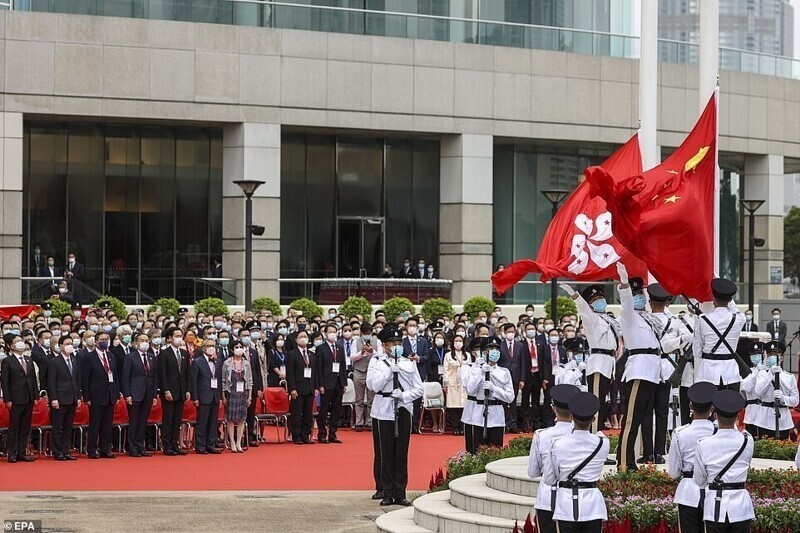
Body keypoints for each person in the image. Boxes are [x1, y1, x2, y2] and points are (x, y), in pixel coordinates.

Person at [366, 325, 424, 507]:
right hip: (383, 410)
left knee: (401, 452)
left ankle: (400, 492)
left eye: (399, 342)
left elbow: (419, 388)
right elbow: (373, 386)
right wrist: (389, 372)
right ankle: (387, 491)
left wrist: (404, 396)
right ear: (384, 345)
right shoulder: (377, 362)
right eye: (393, 343)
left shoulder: (408, 363)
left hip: (403, 409)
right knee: (386, 452)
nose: (397, 346)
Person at [615, 263, 662, 470]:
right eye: (636, 295)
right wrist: (625, 285)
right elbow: (626, 304)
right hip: (638, 370)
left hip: (652, 371)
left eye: (641, 293)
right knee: (631, 419)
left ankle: (632, 460)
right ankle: (624, 462)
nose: (640, 298)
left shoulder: (650, 319)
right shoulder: (629, 317)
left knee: (642, 417)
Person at [543, 392, 610, 533]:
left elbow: (549, 479)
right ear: (594, 419)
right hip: (593, 506)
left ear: (571, 417)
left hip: (566, 505)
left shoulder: (557, 444)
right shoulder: (603, 443)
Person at [640, 283, 692, 464]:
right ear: (667, 301)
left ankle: (648, 452)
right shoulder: (675, 321)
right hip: (666, 366)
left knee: (647, 411)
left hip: (648, 366)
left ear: (650, 301)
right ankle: (659, 452)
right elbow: (682, 342)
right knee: (662, 411)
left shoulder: (644, 319)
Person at [560, 283, 620, 434]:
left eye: (601, 298)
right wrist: (575, 295)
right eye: (596, 299)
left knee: (603, 403)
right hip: (599, 364)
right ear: (590, 305)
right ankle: (592, 437)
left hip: (609, 364)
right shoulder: (590, 319)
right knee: (596, 403)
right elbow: (583, 309)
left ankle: (597, 434)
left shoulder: (610, 320)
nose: (600, 301)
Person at [693, 390, 754, 533]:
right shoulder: (747, 440)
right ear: (738, 416)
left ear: (715, 415)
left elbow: (700, 480)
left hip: (715, 507)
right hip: (741, 507)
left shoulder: (703, 444)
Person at [528, 384, 580, 533]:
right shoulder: (583, 437)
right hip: (575, 500)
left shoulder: (542, 436)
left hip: (548, 499)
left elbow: (532, 472)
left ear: (553, 408)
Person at [667, 381, 718, 533]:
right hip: (714, 490)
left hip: (688, 491)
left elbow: (674, 472)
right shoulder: (717, 432)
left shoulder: (680, 433)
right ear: (712, 408)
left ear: (690, 406)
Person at [692, 278, 746, 391]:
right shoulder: (739, 319)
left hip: (708, 373)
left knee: (708, 408)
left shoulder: (702, 320)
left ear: (713, 299)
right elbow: (734, 308)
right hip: (731, 374)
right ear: (731, 299)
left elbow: (697, 351)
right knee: (729, 407)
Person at [464, 337, 514, 448]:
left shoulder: (504, 372)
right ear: (484, 352)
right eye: (491, 348)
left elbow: (510, 397)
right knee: (478, 451)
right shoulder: (476, 370)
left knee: (495, 450)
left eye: (497, 349)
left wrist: (494, 389)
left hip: (497, 414)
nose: (494, 351)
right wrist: (481, 372)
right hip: (479, 414)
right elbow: (470, 390)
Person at [747, 341, 799, 439]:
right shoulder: (762, 374)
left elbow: (795, 401)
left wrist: (783, 398)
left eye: (776, 355)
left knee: (782, 449)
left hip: (783, 418)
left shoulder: (789, 377)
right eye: (770, 355)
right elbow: (758, 391)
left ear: (782, 358)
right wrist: (770, 373)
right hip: (764, 418)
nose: (772, 357)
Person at [1, 334, 39, 462]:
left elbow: (33, 379)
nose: (20, 343)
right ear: (11, 345)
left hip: (28, 397)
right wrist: (7, 399)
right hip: (15, 398)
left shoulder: (28, 360)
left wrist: (35, 395)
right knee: (14, 427)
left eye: (21, 340)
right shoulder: (7, 361)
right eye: (16, 341)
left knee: (25, 427)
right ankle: (11, 453)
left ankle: (22, 452)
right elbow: (5, 382)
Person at [81, 332, 118, 459]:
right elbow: (85, 378)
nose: (104, 341)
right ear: (96, 342)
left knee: (107, 424)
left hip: (109, 394)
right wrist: (87, 397)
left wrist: (116, 394)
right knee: (95, 424)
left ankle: (105, 449)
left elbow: (115, 375)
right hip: (96, 395)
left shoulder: (111, 356)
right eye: (102, 339)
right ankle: (91, 449)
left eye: (106, 339)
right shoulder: (89, 357)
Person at [120, 332, 158, 457]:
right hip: (135, 393)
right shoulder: (131, 357)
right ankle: (132, 447)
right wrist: (128, 394)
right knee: (134, 421)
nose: (145, 343)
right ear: (136, 343)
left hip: (147, 394)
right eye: (142, 340)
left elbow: (154, 377)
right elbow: (125, 377)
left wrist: (153, 395)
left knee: (143, 422)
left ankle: (140, 446)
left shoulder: (151, 357)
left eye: (147, 340)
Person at [47, 334, 82, 460]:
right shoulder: (54, 362)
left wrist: (78, 396)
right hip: (60, 398)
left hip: (72, 397)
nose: (69, 346)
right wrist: (53, 399)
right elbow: (51, 382)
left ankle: (66, 450)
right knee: (57, 427)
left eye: (70, 344)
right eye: (67, 344)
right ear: (61, 346)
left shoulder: (74, 360)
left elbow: (76, 380)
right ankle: (57, 452)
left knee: (68, 427)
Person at [158, 327, 189, 456]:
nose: (179, 338)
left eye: (180, 335)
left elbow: (186, 374)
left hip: (181, 391)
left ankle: (175, 444)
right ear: (170, 338)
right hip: (169, 391)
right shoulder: (164, 353)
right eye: (176, 336)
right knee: (168, 419)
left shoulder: (184, 353)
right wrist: (166, 390)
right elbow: (162, 374)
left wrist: (187, 390)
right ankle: (167, 445)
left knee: (177, 420)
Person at [188, 338, 222, 454]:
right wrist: (195, 397)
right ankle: (200, 445)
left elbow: (219, 379)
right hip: (203, 395)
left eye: (213, 345)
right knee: (202, 422)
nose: (211, 348)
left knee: (213, 422)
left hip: (215, 395)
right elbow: (194, 381)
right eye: (208, 345)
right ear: (203, 348)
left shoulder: (218, 362)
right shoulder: (197, 362)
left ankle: (210, 444)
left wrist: (220, 396)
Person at [316, 323, 347, 444]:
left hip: (338, 383)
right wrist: (320, 385)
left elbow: (343, 366)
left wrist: (344, 383)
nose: (332, 334)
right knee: (323, 410)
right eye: (330, 332)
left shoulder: (339, 347)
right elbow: (318, 368)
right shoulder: (321, 348)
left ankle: (333, 434)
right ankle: (322, 434)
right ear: (325, 334)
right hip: (326, 383)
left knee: (336, 410)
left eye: (334, 331)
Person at [285, 329, 318, 445]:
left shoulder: (312, 355)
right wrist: (292, 389)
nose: (303, 338)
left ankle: (306, 435)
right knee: (297, 413)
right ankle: (296, 435)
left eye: (305, 336)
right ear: (296, 340)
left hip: (309, 387)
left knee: (308, 413)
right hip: (297, 388)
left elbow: (315, 373)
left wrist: (316, 387)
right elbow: (290, 374)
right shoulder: (292, 354)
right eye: (301, 336)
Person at [519, 321, 551, 432]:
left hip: (538, 375)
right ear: (525, 331)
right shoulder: (521, 344)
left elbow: (545, 362)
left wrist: (545, 377)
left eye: (533, 328)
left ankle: (536, 423)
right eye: (529, 329)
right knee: (525, 401)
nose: (531, 331)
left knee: (536, 401)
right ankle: (526, 423)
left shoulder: (541, 344)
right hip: (527, 375)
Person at [222, 340, 252, 453]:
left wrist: (249, 396)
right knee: (230, 419)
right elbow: (223, 381)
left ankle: (239, 442)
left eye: (241, 346)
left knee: (241, 419)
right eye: (236, 347)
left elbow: (250, 381)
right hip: (231, 392)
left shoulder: (246, 363)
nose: (239, 348)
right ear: (232, 349)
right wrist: (223, 396)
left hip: (243, 393)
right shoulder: (227, 363)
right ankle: (232, 442)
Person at [403, 316, 429, 432]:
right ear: (406, 327)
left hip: (419, 371)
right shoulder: (403, 341)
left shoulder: (422, 341)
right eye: (410, 326)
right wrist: (408, 359)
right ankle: (407, 422)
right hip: (406, 373)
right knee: (407, 398)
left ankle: (415, 424)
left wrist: (418, 358)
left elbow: (426, 356)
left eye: (414, 326)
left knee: (417, 399)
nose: (412, 328)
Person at [498, 323, 524, 433]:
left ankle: (513, 424)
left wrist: (522, 379)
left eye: (512, 332)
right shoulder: (500, 345)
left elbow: (523, 363)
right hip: (503, 378)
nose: (510, 334)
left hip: (516, 377)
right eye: (508, 332)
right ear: (504, 333)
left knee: (513, 401)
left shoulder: (520, 346)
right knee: (503, 402)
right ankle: (504, 423)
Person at [443, 333, 470, 436]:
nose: (458, 343)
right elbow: (445, 370)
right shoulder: (448, 355)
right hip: (452, 383)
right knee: (453, 405)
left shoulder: (467, 355)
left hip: (464, 384)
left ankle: (462, 426)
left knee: (463, 405)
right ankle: (455, 427)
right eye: (456, 341)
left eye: (460, 341)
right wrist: (445, 384)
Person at [351, 323, 375, 432]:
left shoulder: (377, 341)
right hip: (359, 371)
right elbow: (352, 357)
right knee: (359, 399)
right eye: (365, 333)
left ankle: (369, 421)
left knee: (371, 398)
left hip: (371, 371)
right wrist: (361, 353)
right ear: (361, 333)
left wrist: (372, 351)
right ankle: (359, 422)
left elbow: (380, 356)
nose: (367, 335)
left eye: (369, 333)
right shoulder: (355, 342)